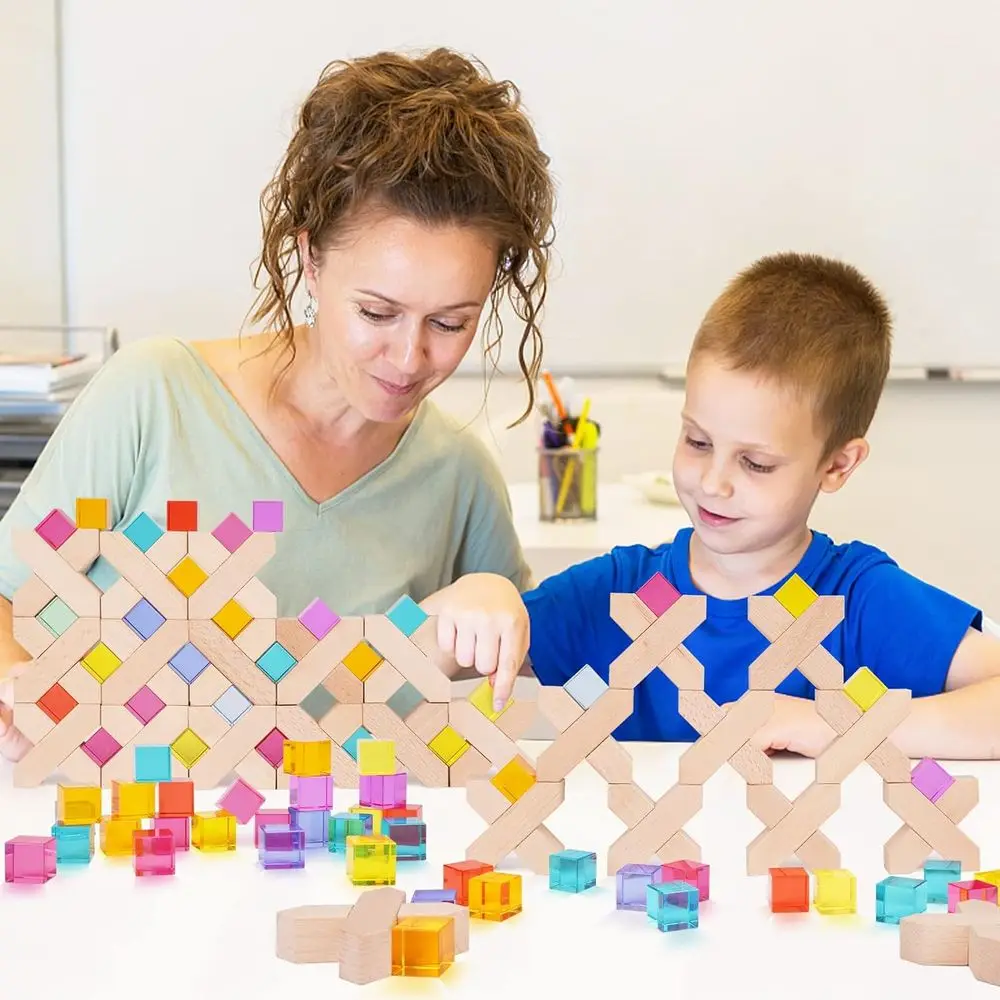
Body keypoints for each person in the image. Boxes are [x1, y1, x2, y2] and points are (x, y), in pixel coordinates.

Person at [0, 47, 556, 759]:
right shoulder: (154, 400)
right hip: (128, 845)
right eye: (377, 312)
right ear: (311, 259)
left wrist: (500, 606)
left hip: (338, 862)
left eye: (451, 323)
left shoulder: (457, 478)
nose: (411, 358)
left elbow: (524, 678)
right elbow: (8, 598)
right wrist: (18, 678)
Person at [428, 252, 1000, 759]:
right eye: (697, 442)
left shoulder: (857, 600)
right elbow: (384, 663)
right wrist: (474, 597)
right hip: (640, 873)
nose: (714, 483)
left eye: (756, 464)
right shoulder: (625, 593)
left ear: (837, 466)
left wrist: (840, 723)